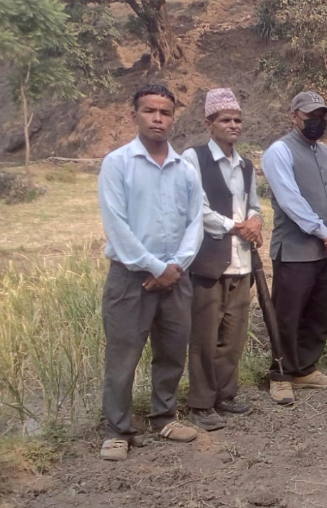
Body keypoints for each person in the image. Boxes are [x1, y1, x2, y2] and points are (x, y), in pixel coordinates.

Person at [97, 84, 204, 460]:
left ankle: (164, 417)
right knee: (123, 356)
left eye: (165, 112)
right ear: (135, 115)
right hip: (131, 277)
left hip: (177, 276)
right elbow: (117, 225)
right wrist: (157, 267)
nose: (158, 118)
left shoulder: (185, 169)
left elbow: (195, 222)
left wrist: (176, 267)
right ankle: (117, 430)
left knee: (172, 351)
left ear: (173, 118)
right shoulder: (118, 163)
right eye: (149, 111)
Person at [262, 91, 327, 404]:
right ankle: (280, 375)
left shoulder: (326, 153)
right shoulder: (279, 152)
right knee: (288, 315)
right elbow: (291, 201)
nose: (318, 121)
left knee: (318, 312)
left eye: (322, 116)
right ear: (294, 116)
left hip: (326, 249)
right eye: (311, 116)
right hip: (294, 250)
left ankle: (305, 369)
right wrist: (324, 231)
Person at [182, 89, 261, 430]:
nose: (233, 125)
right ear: (209, 124)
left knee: (234, 334)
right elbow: (195, 209)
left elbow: (254, 205)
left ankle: (225, 395)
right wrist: (236, 226)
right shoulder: (193, 158)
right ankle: (200, 404)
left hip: (241, 262)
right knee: (204, 336)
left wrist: (255, 221)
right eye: (225, 119)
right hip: (209, 263)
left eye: (237, 120)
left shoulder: (246, 165)